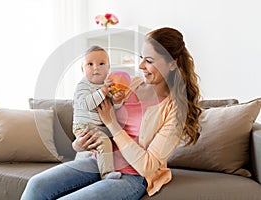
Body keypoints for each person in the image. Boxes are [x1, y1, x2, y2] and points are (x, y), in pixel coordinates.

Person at [21, 27, 202, 200]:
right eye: (141, 58)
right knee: (36, 184)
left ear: (172, 64)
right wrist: (79, 144)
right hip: (99, 161)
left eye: (149, 61)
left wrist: (112, 124)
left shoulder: (175, 111)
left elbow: (147, 166)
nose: (140, 65)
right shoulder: (132, 85)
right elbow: (92, 119)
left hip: (133, 176)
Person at [72, 45, 127, 179]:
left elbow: (113, 108)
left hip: (100, 127)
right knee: (103, 142)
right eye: (90, 64)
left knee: (113, 142)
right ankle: (107, 174)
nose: (96, 67)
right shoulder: (83, 85)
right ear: (82, 69)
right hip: (84, 127)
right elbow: (86, 104)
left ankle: (96, 168)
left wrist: (118, 100)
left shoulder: (108, 85)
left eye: (101, 64)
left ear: (108, 68)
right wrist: (103, 91)